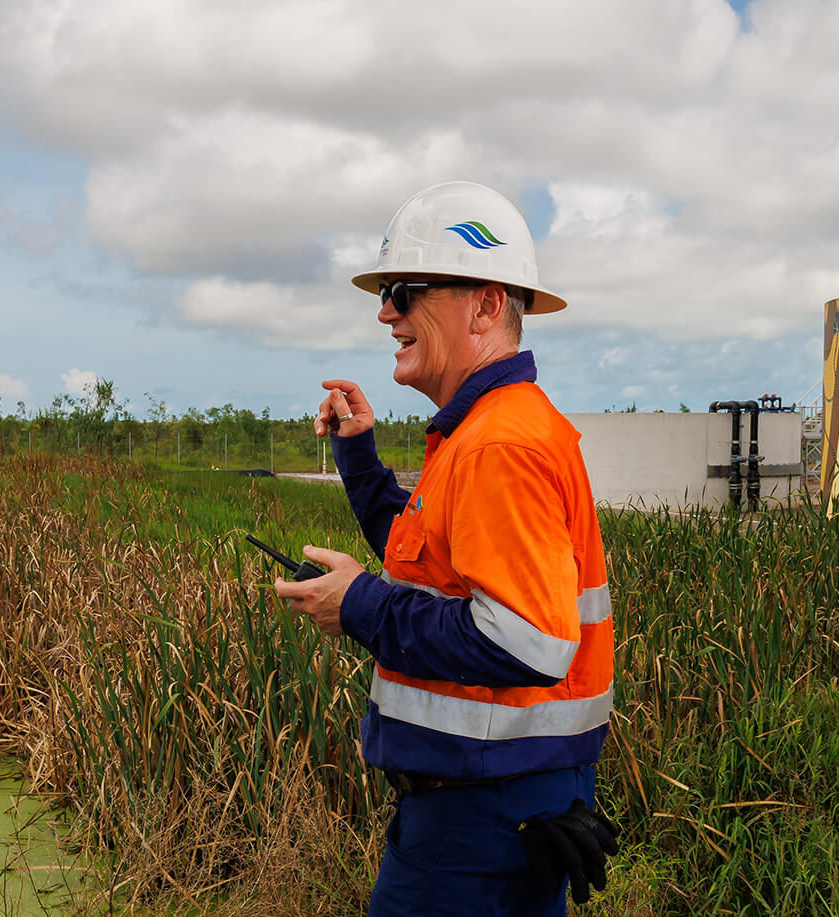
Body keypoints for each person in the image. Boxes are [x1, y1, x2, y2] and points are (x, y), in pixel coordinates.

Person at [274, 181, 621, 916]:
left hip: (479, 825)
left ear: (486, 306)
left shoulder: (499, 443)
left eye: (405, 291)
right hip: (508, 803)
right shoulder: (486, 429)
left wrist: (358, 604)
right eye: (386, 294)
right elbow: (431, 566)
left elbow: (526, 642)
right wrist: (359, 457)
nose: (385, 312)